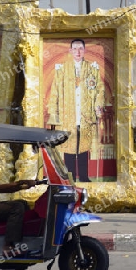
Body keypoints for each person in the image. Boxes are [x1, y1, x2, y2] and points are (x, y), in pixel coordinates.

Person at [46, 38, 105, 182]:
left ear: (84, 51)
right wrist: (54, 115)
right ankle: (70, 177)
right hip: (68, 115)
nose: (78, 52)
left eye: (80, 49)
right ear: (70, 51)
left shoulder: (92, 69)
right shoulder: (62, 69)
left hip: (86, 116)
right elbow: (55, 93)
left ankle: (84, 177)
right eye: (75, 49)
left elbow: (100, 90)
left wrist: (98, 105)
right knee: (69, 146)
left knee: (84, 146)